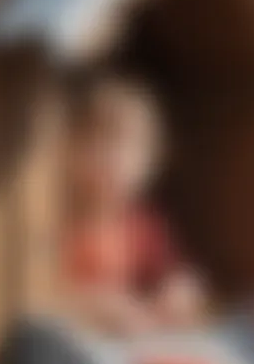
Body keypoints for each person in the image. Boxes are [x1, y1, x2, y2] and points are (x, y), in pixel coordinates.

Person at [62, 72, 205, 336]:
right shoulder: (63, 222)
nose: (109, 160)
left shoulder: (142, 227)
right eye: (95, 143)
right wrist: (92, 305)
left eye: (124, 148)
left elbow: (171, 275)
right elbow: (43, 294)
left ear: (149, 164)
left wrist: (178, 292)